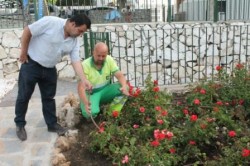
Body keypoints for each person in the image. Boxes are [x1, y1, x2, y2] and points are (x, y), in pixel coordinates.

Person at [15, 14, 92, 141]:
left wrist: (84, 80)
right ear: (73, 24)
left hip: (50, 68)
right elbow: (28, 30)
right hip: (31, 65)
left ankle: (52, 125)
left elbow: (76, 60)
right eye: (80, 31)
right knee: (24, 96)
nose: (80, 34)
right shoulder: (51, 22)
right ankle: (20, 124)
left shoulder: (74, 41)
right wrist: (23, 53)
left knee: (49, 98)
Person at [78, 42, 129, 119]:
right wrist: (85, 103)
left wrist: (124, 86)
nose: (101, 58)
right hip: (91, 94)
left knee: (125, 87)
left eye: (103, 56)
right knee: (90, 113)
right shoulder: (85, 64)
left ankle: (112, 113)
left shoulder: (109, 59)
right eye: (98, 55)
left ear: (107, 54)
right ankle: (93, 111)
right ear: (93, 52)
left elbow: (119, 75)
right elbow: (81, 88)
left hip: (105, 91)